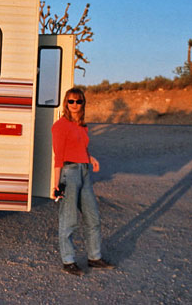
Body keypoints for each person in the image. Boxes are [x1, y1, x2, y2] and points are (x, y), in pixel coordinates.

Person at [51, 87, 114, 276]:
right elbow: (59, 157)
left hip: (84, 172)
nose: (75, 105)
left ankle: (94, 258)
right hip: (69, 173)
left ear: (83, 103)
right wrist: (56, 184)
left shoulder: (82, 125)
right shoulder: (60, 126)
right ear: (66, 103)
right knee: (68, 219)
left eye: (78, 101)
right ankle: (68, 261)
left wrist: (90, 157)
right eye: (71, 101)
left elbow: (80, 147)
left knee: (92, 216)